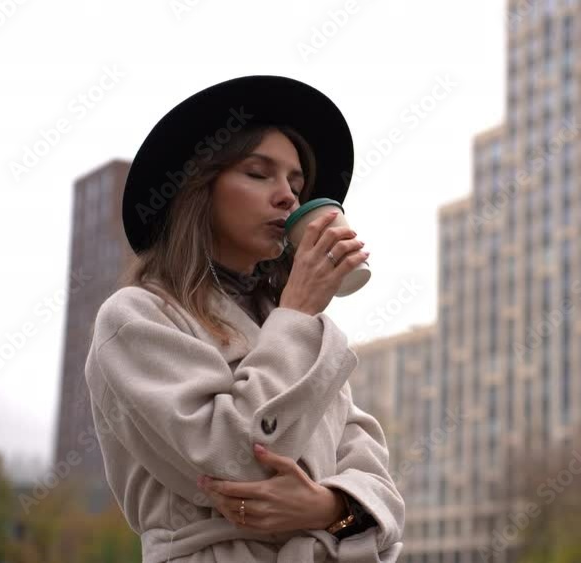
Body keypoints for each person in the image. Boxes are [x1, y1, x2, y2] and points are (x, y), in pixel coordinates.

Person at [84, 75, 404, 562]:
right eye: (258, 173)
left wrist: (327, 508)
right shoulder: (136, 318)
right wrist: (297, 313)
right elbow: (236, 459)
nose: (288, 197)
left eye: (296, 184)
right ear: (198, 189)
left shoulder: (304, 332)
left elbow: (381, 493)